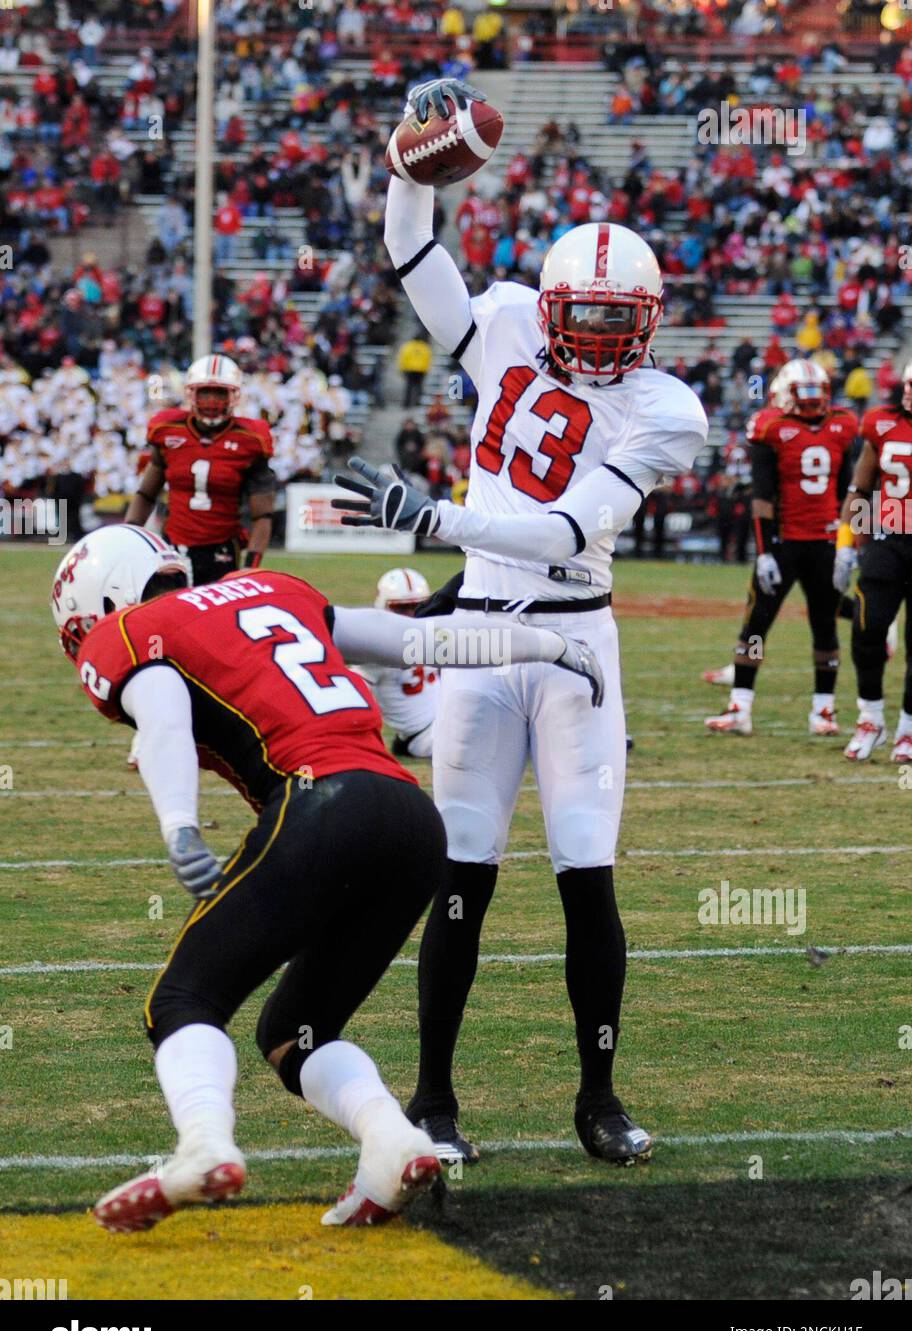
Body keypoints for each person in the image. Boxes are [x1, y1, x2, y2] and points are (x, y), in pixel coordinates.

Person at [335, 77, 708, 1167]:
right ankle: (435, 1098)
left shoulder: (661, 410)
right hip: (482, 638)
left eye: (615, 323)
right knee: (463, 869)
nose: (596, 341)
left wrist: (433, 513)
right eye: (582, 318)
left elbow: (563, 528)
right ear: (547, 308)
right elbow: (409, 240)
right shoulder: (495, 321)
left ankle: (597, 1095)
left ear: (645, 321)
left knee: (584, 870)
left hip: (575, 641)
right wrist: (407, 160)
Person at [49, 526, 604, 1232]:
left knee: (183, 998)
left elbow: (159, 714)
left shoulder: (132, 629)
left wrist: (178, 825)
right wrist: (543, 644)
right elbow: (415, 642)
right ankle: (393, 1142)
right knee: (296, 1032)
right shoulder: (275, 589)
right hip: (408, 820)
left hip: (321, 804)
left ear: (110, 597)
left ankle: (203, 1146)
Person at [705, 360, 858, 736]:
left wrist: (847, 545)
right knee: (756, 627)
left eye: (816, 393)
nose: (810, 401)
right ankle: (741, 706)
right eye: (802, 394)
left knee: (826, 628)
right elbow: (761, 498)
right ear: (785, 395)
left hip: (823, 542)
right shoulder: (770, 427)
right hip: (784, 542)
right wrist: (764, 551)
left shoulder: (842, 426)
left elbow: (850, 493)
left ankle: (824, 711)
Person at [124, 354, 276, 585]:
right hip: (173, 546)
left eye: (219, 393)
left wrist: (250, 567)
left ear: (233, 395)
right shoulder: (167, 429)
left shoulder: (251, 439)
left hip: (222, 549)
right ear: (191, 393)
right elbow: (146, 493)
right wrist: (128, 537)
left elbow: (262, 516)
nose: (211, 400)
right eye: (205, 392)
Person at [835, 357, 912, 762]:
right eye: (908, 383)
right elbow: (860, 488)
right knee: (867, 628)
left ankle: (909, 729)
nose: (909, 390)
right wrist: (846, 544)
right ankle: (871, 718)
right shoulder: (882, 422)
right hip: (888, 538)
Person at [356, 568, 439, 758]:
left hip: (440, 726)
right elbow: (356, 692)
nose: (410, 615)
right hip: (428, 736)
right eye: (401, 608)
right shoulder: (378, 646)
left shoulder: (430, 630)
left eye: (416, 606)